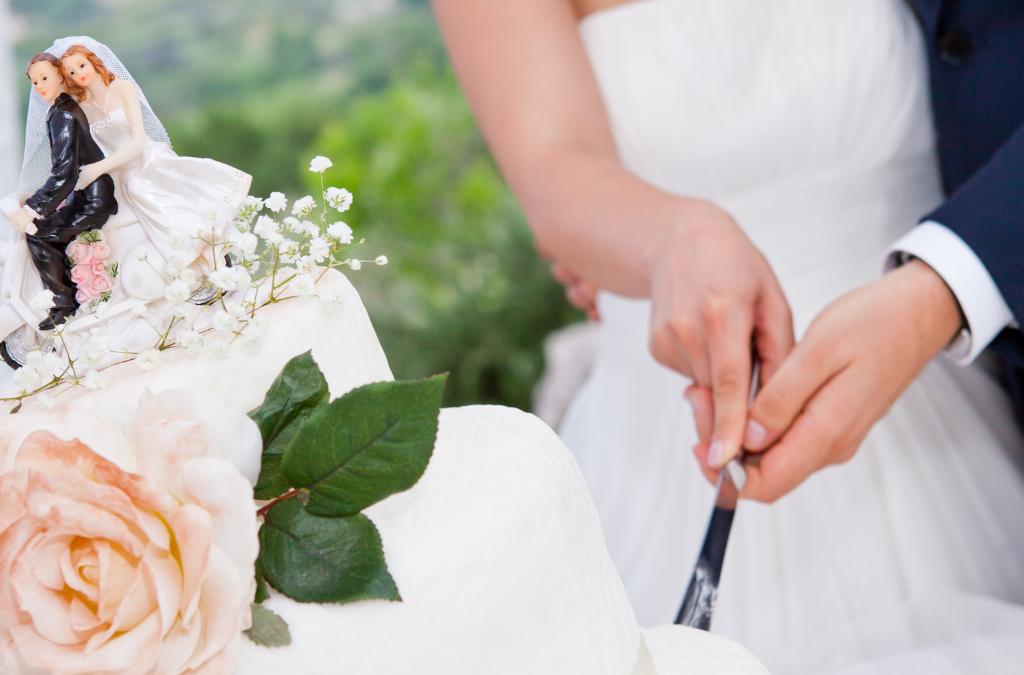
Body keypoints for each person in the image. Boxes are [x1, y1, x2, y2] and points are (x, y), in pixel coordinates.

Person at [434, 0, 1024, 671]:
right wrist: (671, 237)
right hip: (669, 451)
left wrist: (943, 288)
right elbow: (554, 170)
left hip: (959, 393)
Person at [50, 38, 251, 302]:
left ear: (93, 61)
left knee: (139, 188)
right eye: (72, 73)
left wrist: (98, 168)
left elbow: (138, 141)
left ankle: (203, 254)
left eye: (81, 65)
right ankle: (180, 274)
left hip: (143, 159)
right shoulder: (83, 108)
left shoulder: (122, 89)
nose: (80, 73)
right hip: (118, 171)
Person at [12, 53, 118, 330]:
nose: (40, 86)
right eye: (34, 82)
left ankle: (65, 303)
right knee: (41, 227)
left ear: (61, 75)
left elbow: (65, 172)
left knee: (38, 235)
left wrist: (34, 208)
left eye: (44, 78)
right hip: (87, 192)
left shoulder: (63, 115)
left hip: (93, 199)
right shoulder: (61, 109)